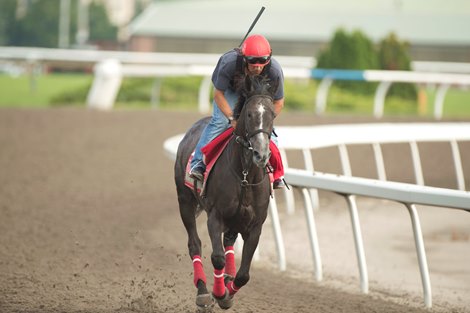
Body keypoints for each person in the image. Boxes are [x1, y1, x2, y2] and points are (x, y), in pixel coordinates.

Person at [190, 34, 286, 189]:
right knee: (220, 122)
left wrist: (263, 121)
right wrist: (231, 119)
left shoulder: (274, 70)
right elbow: (218, 94)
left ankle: (277, 173)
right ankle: (198, 163)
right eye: (252, 61)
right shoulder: (229, 63)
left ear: (269, 58)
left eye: (262, 61)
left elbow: (279, 102)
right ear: (244, 57)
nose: (257, 66)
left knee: (266, 130)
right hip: (230, 91)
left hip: (258, 92)